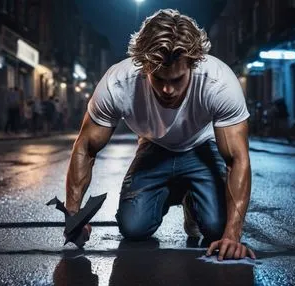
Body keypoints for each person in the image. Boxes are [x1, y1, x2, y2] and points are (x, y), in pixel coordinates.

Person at [64, 9, 255, 261]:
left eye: (177, 79)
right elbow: (86, 147)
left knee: (216, 230)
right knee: (133, 228)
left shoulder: (218, 82)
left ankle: (192, 201)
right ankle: (176, 190)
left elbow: (237, 159)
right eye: (159, 78)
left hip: (201, 147)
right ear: (143, 64)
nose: (167, 89)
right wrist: (73, 216)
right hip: (154, 148)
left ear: (192, 63)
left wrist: (232, 235)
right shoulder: (118, 82)